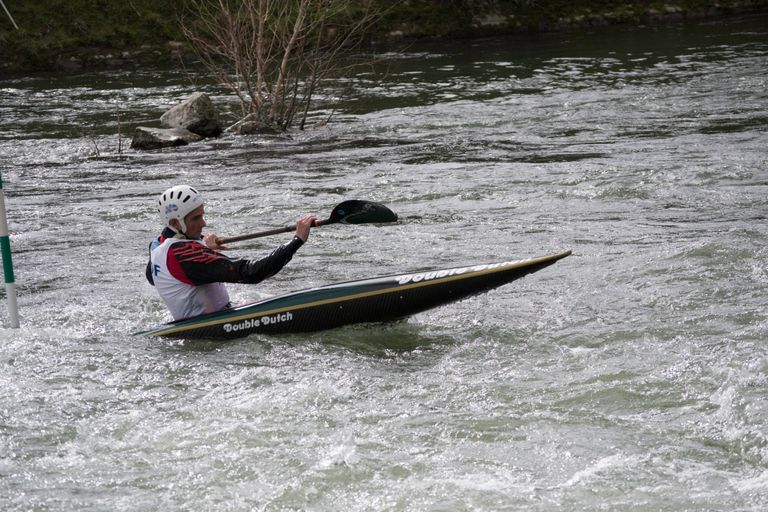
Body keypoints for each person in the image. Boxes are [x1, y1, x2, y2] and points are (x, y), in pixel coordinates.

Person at [146, 185, 317, 321]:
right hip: (209, 330)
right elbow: (251, 273)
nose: (204, 223)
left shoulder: (158, 248)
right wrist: (297, 240)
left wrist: (202, 246)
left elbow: (153, 276)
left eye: (202, 215)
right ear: (176, 224)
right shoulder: (184, 255)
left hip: (203, 321)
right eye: (196, 218)